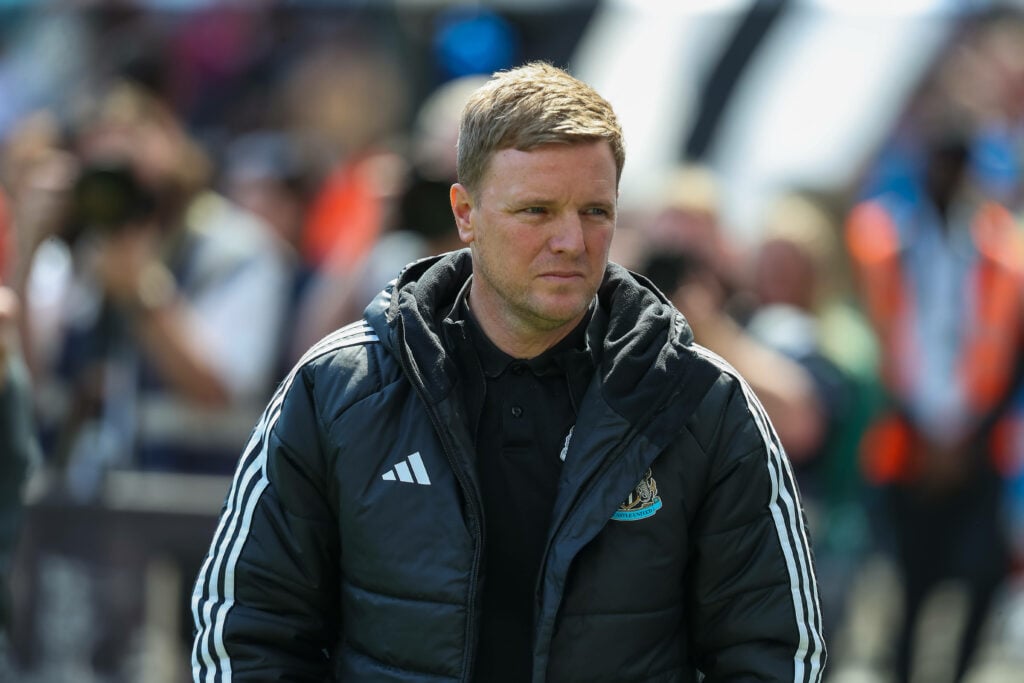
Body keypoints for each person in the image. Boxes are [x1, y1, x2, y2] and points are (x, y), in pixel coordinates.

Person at [191, 61, 825, 682]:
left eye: (595, 212)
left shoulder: (703, 402)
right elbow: (246, 632)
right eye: (537, 211)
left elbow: (776, 651)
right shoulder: (337, 389)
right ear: (465, 213)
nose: (571, 241)